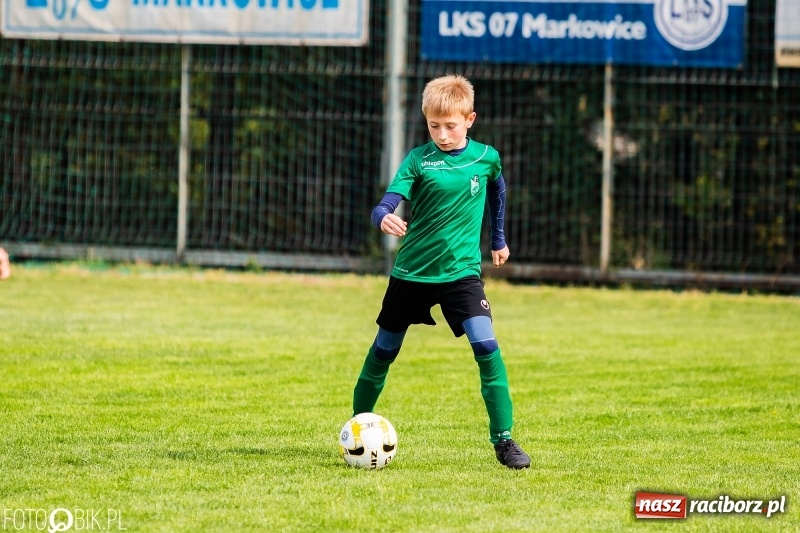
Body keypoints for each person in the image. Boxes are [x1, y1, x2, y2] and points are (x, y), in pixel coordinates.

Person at [351, 74, 531, 469]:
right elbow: (387, 201)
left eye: (451, 125)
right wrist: (383, 216)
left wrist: (498, 239)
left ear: (470, 119)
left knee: (486, 346)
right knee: (384, 351)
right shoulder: (419, 159)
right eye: (435, 126)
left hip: (461, 274)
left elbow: (498, 192)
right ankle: (357, 427)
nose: (443, 134)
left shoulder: (486, 158)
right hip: (412, 272)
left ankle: (504, 441)